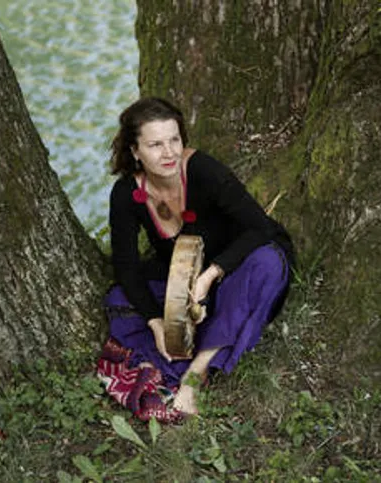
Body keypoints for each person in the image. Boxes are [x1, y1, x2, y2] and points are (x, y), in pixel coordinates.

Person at [97, 97, 294, 421]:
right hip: (186, 270)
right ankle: (189, 335)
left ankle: (196, 372)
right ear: (135, 151)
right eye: (155, 144)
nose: (169, 153)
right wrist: (156, 322)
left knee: (267, 267)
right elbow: (127, 266)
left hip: (240, 261)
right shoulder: (125, 194)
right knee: (121, 295)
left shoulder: (203, 171)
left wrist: (212, 274)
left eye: (174, 140)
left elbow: (260, 227)